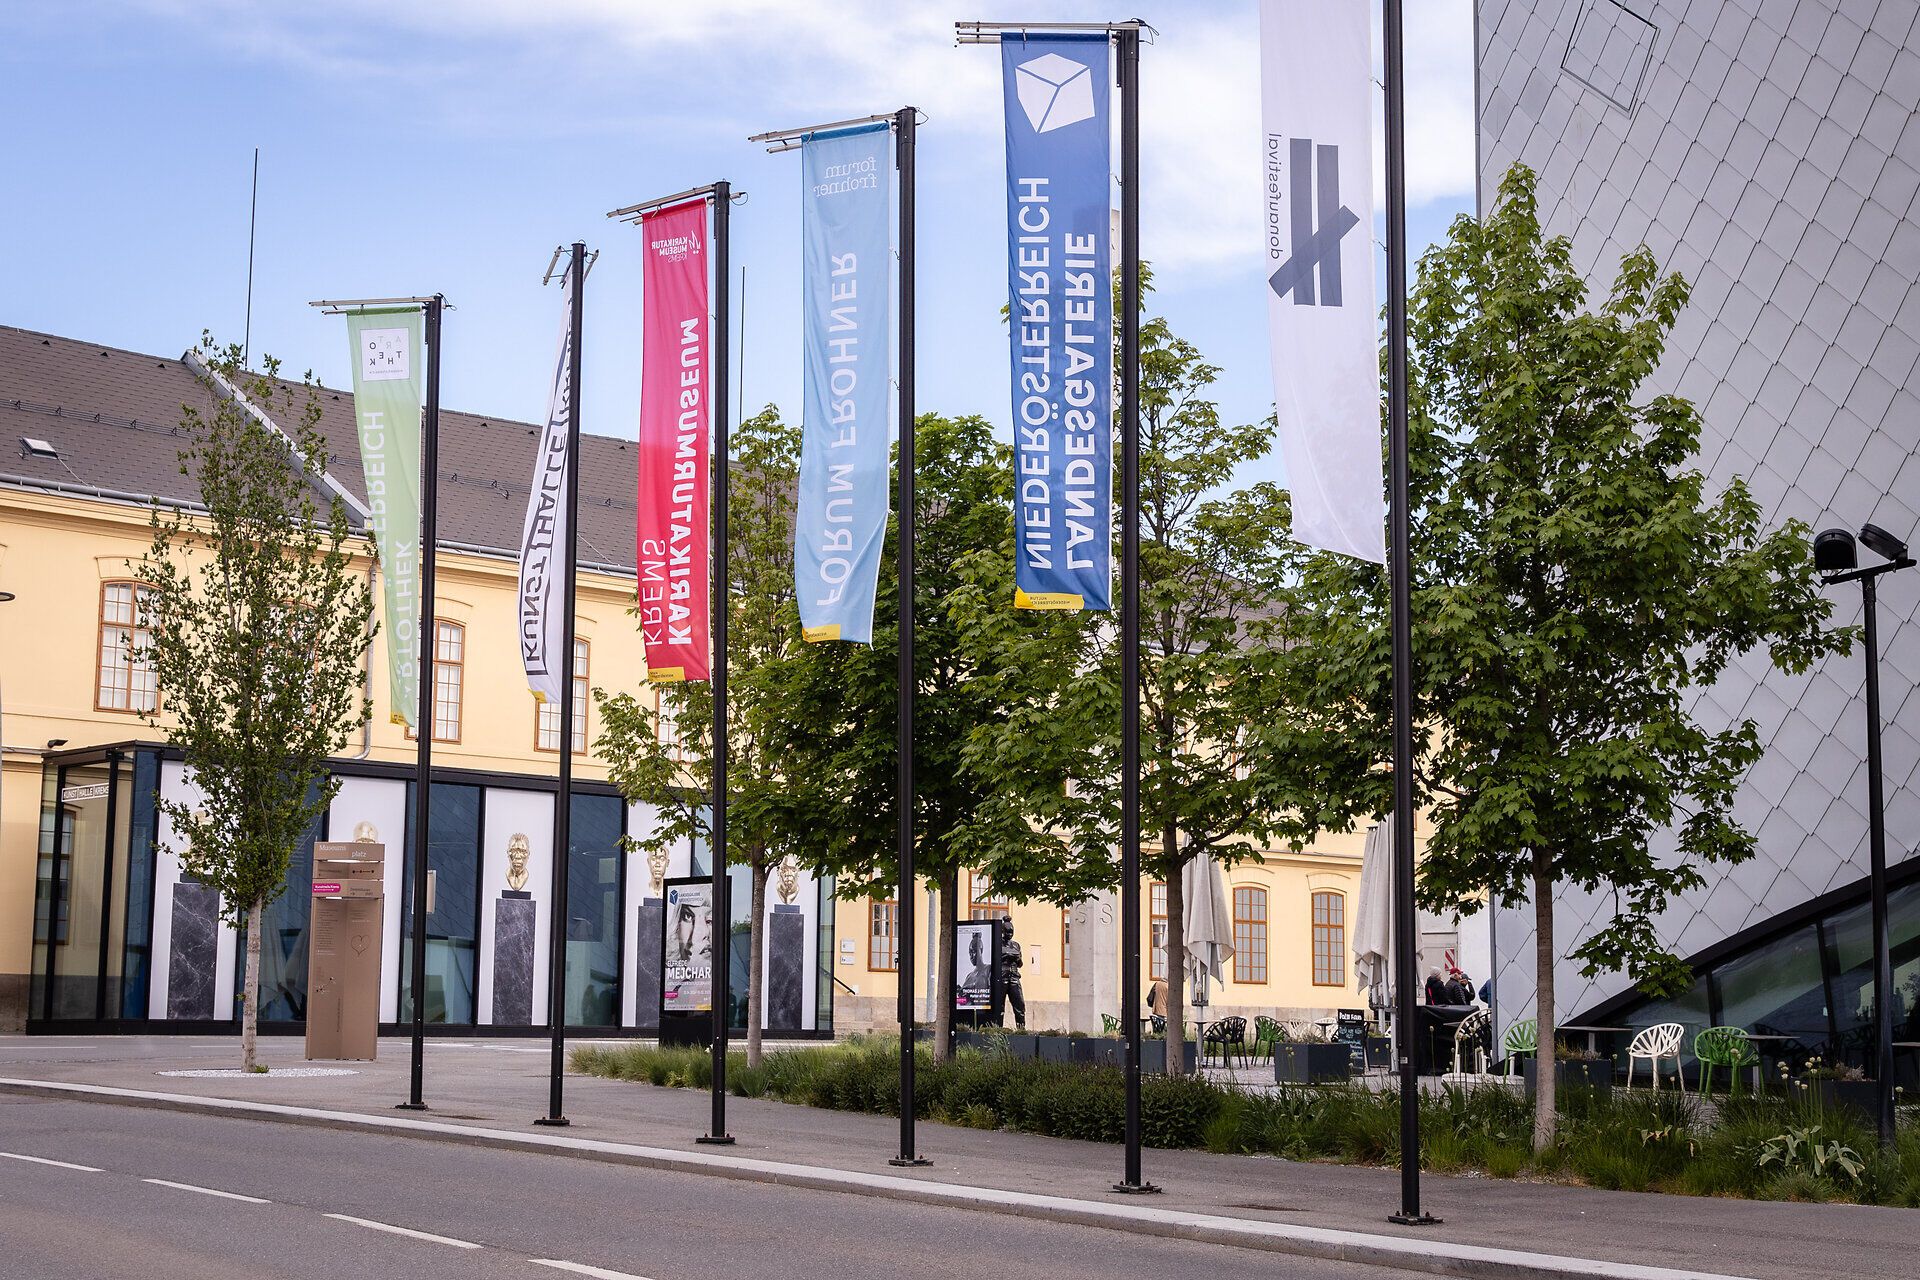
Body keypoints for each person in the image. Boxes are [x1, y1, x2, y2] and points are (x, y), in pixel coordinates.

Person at [998, 918, 1027, 1029]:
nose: (1009, 934)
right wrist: (1007, 956)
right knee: (1000, 1006)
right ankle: (997, 1029)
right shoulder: (998, 943)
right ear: (1002, 931)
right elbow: (995, 960)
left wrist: (1017, 958)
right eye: (1007, 932)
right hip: (1002, 977)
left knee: (1020, 1005)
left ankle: (1021, 1030)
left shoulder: (1016, 945)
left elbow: (1020, 964)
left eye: (1011, 932)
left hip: (1014, 977)